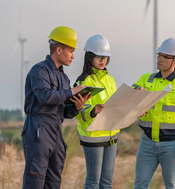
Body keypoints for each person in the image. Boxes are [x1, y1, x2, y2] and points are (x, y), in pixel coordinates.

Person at [21, 26, 91, 189]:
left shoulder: (64, 78)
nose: (73, 56)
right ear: (59, 49)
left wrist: (76, 107)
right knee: (35, 181)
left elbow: (64, 111)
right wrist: (72, 91)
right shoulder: (39, 71)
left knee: (54, 182)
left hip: (55, 131)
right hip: (39, 130)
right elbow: (45, 97)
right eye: (71, 51)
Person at [132, 37, 175, 189]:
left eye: (164, 56)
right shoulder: (145, 79)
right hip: (147, 142)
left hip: (172, 145)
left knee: (172, 185)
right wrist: (137, 93)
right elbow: (131, 93)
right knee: (140, 185)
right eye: (158, 55)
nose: (159, 59)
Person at [74, 34, 120, 189]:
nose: (103, 61)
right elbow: (77, 111)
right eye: (99, 57)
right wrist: (92, 111)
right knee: (94, 181)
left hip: (111, 135)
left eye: (105, 57)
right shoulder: (83, 81)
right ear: (89, 57)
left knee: (107, 182)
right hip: (93, 137)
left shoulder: (110, 80)